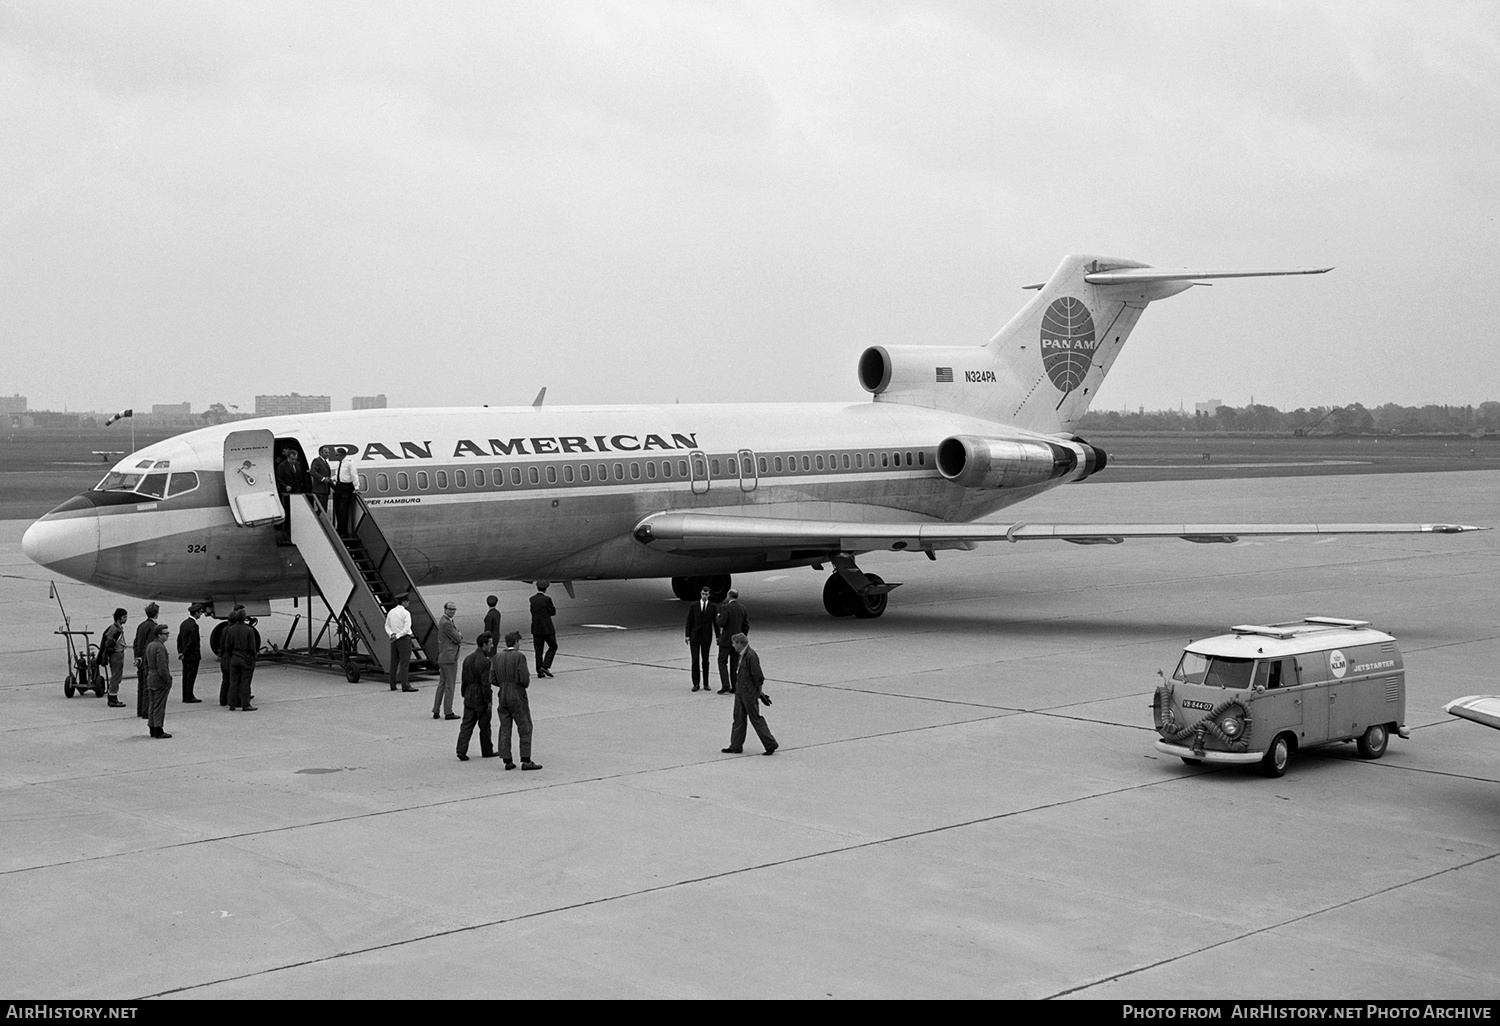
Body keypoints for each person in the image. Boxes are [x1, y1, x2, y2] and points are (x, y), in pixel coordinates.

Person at [722, 633, 777, 756]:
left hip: (749, 693)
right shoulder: (742, 655)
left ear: (740, 644)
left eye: (734, 643)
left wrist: (759, 693)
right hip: (740, 692)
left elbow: (759, 677)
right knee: (738, 719)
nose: (733, 646)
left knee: (755, 719)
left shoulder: (751, 656)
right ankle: (735, 746)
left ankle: (770, 744)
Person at [493, 630, 540, 770]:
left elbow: (492, 678)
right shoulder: (519, 656)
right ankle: (526, 760)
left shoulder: (497, 657)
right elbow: (524, 678)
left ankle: (507, 759)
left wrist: (503, 684)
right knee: (525, 725)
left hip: (503, 693)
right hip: (516, 693)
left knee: (505, 726)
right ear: (516, 642)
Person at [456, 632, 497, 761]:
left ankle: (461, 749)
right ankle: (487, 750)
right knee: (484, 725)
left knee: (467, 724)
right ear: (484, 645)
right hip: (479, 695)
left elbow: (464, 680)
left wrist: (464, 693)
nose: (492, 646)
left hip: (469, 694)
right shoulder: (485, 662)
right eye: (490, 643)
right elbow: (486, 684)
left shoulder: (467, 659)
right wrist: (488, 701)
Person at [222, 608, 259, 711]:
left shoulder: (230, 629)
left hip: (234, 658)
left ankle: (232, 704)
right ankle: (245, 704)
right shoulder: (249, 630)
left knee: (233, 682)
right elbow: (252, 647)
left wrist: (231, 655)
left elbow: (227, 646)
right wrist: (253, 657)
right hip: (245, 658)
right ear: (244, 618)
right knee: (245, 683)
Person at [684, 584, 718, 692]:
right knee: (695, 660)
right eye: (703, 594)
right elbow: (689, 621)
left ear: (709, 595)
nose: (704, 596)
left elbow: (715, 623)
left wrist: (718, 636)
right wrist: (687, 635)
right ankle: (696, 683)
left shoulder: (712, 607)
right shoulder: (694, 606)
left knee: (705, 660)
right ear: (700, 594)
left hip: (706, 636)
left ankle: (706, 683)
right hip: (695, 636)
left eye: (706, 594)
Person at [715, 589, 749, 694]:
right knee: (734, 665)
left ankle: (725, 685)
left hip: (726, 641)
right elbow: (746, 625)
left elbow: (721, 623)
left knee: (722, 661)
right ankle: (735, 686)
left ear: (729, 596)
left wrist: (718, 616)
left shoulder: (726, 608)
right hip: (737, 642)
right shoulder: (742, 608)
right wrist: (740, 637)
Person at [434, 601, 462, 720]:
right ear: (445, 609)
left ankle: (436, 709)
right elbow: (457, 638)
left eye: (454, 609)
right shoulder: (446, 623)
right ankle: (448, 711)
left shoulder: (445, 621)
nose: (452, 611)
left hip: (444, 657)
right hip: (449, 658)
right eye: (450, 609)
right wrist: (459, 634)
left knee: (442, 684)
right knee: (449, 685)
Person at [145, 623, 174, 739]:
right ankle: (158, 729)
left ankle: (152, 727)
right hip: (159, 678)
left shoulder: (150, 645)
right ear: (158, 635)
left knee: (152, 704)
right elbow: (162, 666)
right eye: (165, 634)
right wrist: (167, 679)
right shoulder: (160, 647)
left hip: (151, 676)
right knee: (159, 705)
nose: (167, 636)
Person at [132, 602, 160, 718]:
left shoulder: (141, 625)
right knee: (148, 686)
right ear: (156, 614)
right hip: (147, 660)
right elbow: (150, 645)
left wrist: (137, 657)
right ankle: (146, 711)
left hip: (139, 658)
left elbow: (136, 642)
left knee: (141, 685)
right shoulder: (153, 628)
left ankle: (140, 710)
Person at [385, 593, 417, 692]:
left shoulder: (391, 612)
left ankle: (392, 684)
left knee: (394, 662)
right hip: (404, 639)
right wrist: (398, 636)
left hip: (394, 640)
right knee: (404, 663)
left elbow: (386, 626)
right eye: (407, 601)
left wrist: (392, 635)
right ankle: (405, 685)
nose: (408, 603)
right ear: (403, 602)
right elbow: (407, 628)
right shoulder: (406, 613)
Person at [100, 608, 128, 708]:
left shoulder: (118, 628)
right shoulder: (114, 629)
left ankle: (113, 697)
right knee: (116, 677)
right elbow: (109, 642)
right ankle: (112, 698)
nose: (126, 619)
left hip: (119, 654)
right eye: (124, 617)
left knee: (118, 676)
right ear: (118, 618)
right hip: (116, 655)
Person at [529, 581, 557, 678]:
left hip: (536, 628)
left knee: (538, 650)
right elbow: (552, 612)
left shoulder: (532, 599)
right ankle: (545, 666)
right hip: (547, 628)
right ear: (546, 588)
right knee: (553, 646)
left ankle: (539, 671)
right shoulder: (547, 599)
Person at [177, 603, 204, 703]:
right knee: (191, 676)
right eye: (200, 612)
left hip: (185, 656)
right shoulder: (194, 626)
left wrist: (180, 652)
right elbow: (192, 642)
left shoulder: (184, 623)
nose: (200, 614)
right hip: (192, 656)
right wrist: (185, 652)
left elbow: (179, 639)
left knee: (185, 676)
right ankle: (189, 696)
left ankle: (186, 695)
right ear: (196, 613)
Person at [275, 448, 304, 539]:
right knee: (287, 510)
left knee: (295, 511)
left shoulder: (298, 465)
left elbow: (299, 477)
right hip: (286, 492)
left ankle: (295, 530)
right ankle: (286, 531)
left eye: (295, 459)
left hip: (296, 491)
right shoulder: (282, 466)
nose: (294, 461)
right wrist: (285, 486)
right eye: (292, 459)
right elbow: (279, 478)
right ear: (288, 458)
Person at [333, 447, 358, 537]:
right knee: (338, 510)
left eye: (336, 455)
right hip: (339, 487)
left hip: (346, 488)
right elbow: (339, 475)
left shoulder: (349, 463)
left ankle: (344, 532)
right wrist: (332, 479)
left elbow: (354, 475)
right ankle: (339, 529)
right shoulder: (340, 464)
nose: (335, 457)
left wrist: (356, 487)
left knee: (343, 510)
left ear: (341, 455)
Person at [308, 445, 334, 518]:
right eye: (326, 452)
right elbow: (313, 472)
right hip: (320, 490)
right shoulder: (317, 461)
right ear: (320, 453)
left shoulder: (325, 462)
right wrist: (322, 479)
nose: (328, 454)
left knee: (323, 510)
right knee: (321, 510)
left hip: (325, 490)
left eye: (328, 453)